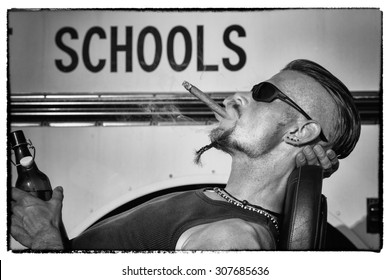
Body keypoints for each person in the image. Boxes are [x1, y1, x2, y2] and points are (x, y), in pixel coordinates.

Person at [10, 59, 360, 251]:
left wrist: (45, 241)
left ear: (300, 132)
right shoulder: (222, 209)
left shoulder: (234, 239)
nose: (235, 97)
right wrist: (59, 239)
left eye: (263, 92)